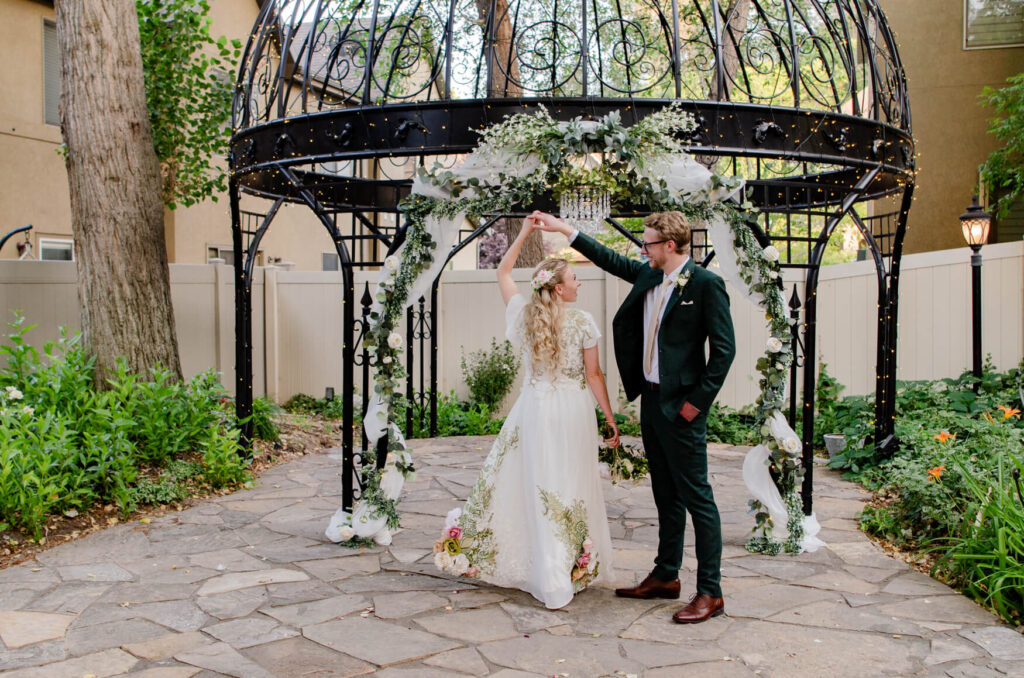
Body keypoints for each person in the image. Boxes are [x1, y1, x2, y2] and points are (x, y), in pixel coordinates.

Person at [528, 209, 736, 624]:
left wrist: (694, 405)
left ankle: (711, 592)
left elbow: (724, 352)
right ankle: (665, 574)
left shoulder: (707, 285)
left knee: (698, 498)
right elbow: (609, 258)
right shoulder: (649, 275)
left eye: (649, 243)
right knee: (665, 493)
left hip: (682, 408)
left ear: (670, 246)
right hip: (651, 402)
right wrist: (564, 229)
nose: (643, 249)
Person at [433, 219, 619, 609]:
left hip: (535, 408)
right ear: (558, 287)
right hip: (573, 411)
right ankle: (566, 564)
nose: (578, 283)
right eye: (573, 278)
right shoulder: (584, 322)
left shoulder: (523, 314)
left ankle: (545, 563)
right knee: (569, 483)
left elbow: (502, 271)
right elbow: (594, 375)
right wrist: (610, 417)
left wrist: (523, 234)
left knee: (534, 480)